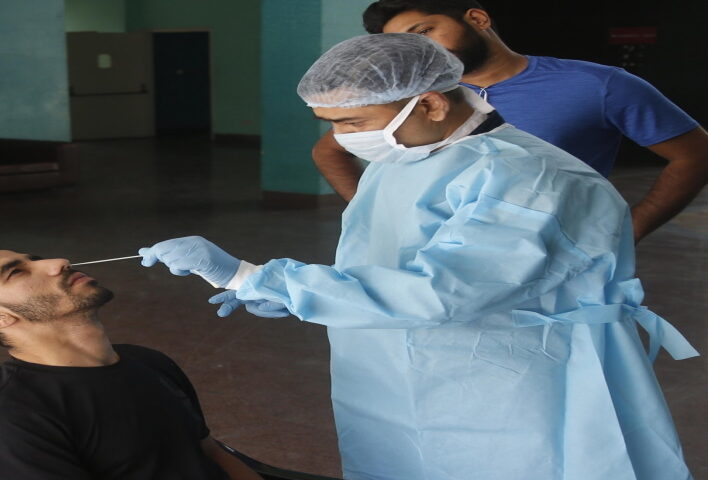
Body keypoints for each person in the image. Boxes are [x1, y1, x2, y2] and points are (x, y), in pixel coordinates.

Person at [139, 34, 699, 480]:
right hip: (405, 365)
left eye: (351, 123)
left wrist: (256, 277)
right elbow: (388, 263)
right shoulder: (405, 159)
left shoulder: (528, 177)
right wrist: (298, 294)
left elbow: (446, 289)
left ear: (428, 102)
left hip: (516, 378)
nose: (344, 138)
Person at [311, 0, 708, 243]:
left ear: (477, 18)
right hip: (436, 262)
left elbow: (695, 154)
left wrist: (631, 229)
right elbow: (331, 151)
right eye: (408, 44)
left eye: (425, 31)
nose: (424, 50)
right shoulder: (409, 100)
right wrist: (372, 209)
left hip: (557, 256)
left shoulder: (596, 85)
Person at [0, 246, 262, 480]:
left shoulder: (149, 362)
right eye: (17, 272)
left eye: (34, 258)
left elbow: (210, 453)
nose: (57, 262)